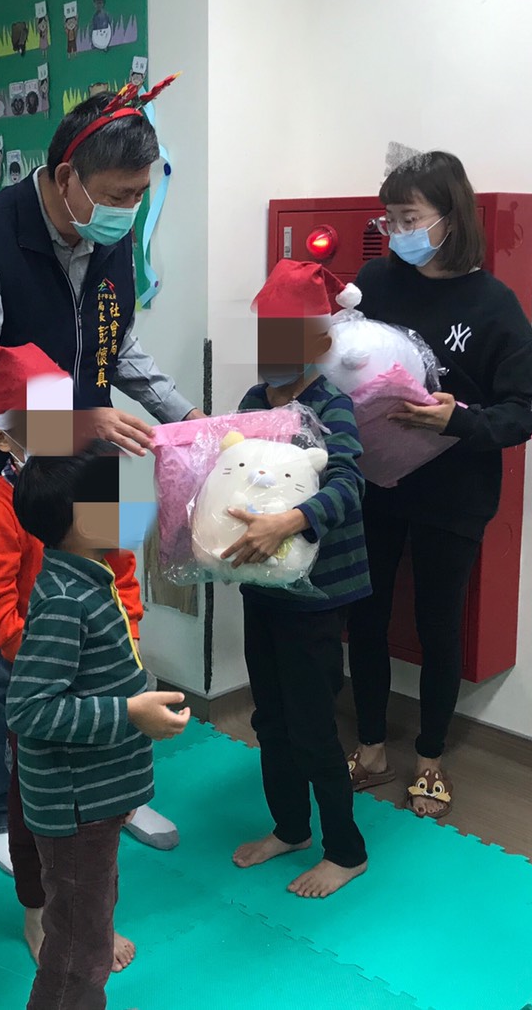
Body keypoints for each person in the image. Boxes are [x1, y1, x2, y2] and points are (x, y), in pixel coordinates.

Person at [0, 82, 199, 872]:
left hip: (89, 473)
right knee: (1, 642)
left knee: (108, 623)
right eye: (118, 194)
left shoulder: (109, 235)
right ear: (68, 176)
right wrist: (74, 421)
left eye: (141, 195)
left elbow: (119, 348)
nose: (130, 210)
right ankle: (0, 809)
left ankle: (115, 784)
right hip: (0, 481)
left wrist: (189, 421)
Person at [344, 151, 532, 820]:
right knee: (365, 615)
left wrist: (456, 419)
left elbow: (529, 411)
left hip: (453, 492)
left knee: (438, 624)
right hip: (373, 480)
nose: (398, 232)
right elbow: (338, 359)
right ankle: (371, 746)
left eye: (410, 218)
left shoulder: (494, 305)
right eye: (390, 219)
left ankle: (430, 759)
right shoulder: (375, 281)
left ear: (451, 217)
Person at [0, 342, 174, 971]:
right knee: (37, 810)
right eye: (37, 422)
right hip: (44, 676)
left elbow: (121, 566)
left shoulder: (87, 483)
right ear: (2, 437)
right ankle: (39, 913)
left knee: (97, 808)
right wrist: (50, 653)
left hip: (100, 669)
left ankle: (92, 903)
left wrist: (122, 637)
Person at [7, 446, 191, 1010]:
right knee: (77, 954)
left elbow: (96, 678)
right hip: (75, 807)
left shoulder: (90, 576)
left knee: (93, 908)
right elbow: (29, 709)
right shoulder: (66, 600)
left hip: (95, 799)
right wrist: (131, 713)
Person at [227, 260, 371, 898]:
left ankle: (346, 850)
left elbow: (349, 484)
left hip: (319, 594)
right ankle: (290, 827)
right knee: (271, 720)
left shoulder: (331, 405)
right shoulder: (254, 402)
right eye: (266, 334)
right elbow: (231, 474)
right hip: (263, 588)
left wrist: (290, 521)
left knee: (313, 726)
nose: (273, 350)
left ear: (318, 340)